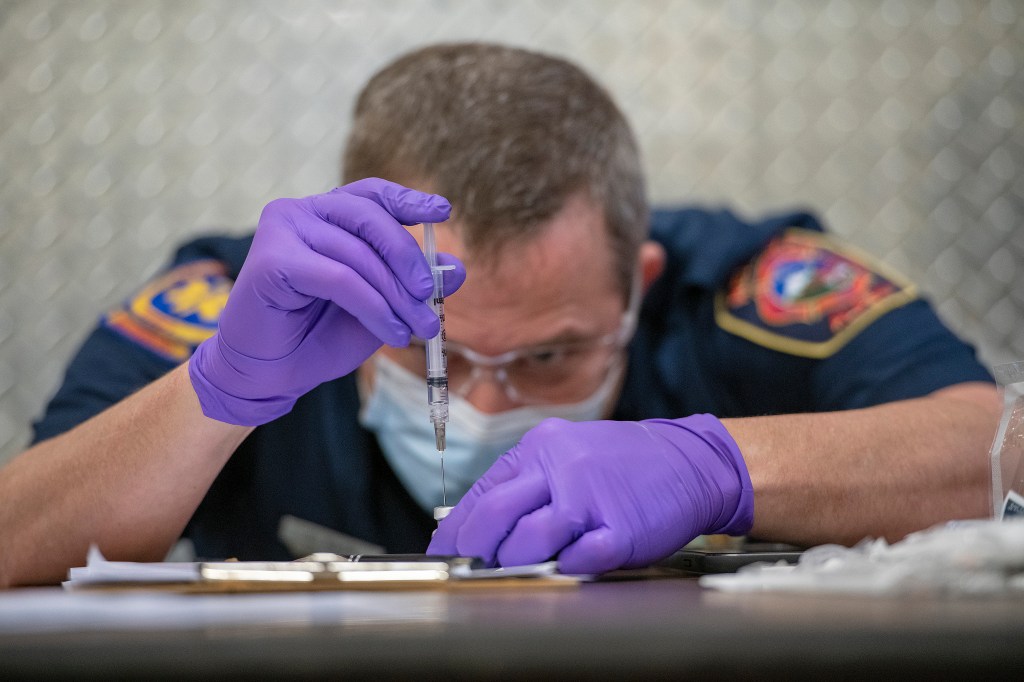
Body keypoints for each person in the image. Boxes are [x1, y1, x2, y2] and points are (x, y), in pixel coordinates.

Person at [0, 43, 1000, 587]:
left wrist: (722, 466)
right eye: (421, 342)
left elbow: (1004, 446)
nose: (477, 402)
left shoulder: (748, 292)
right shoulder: (244, 308)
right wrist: (213, 393)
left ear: (639, 279)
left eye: (552, 354)